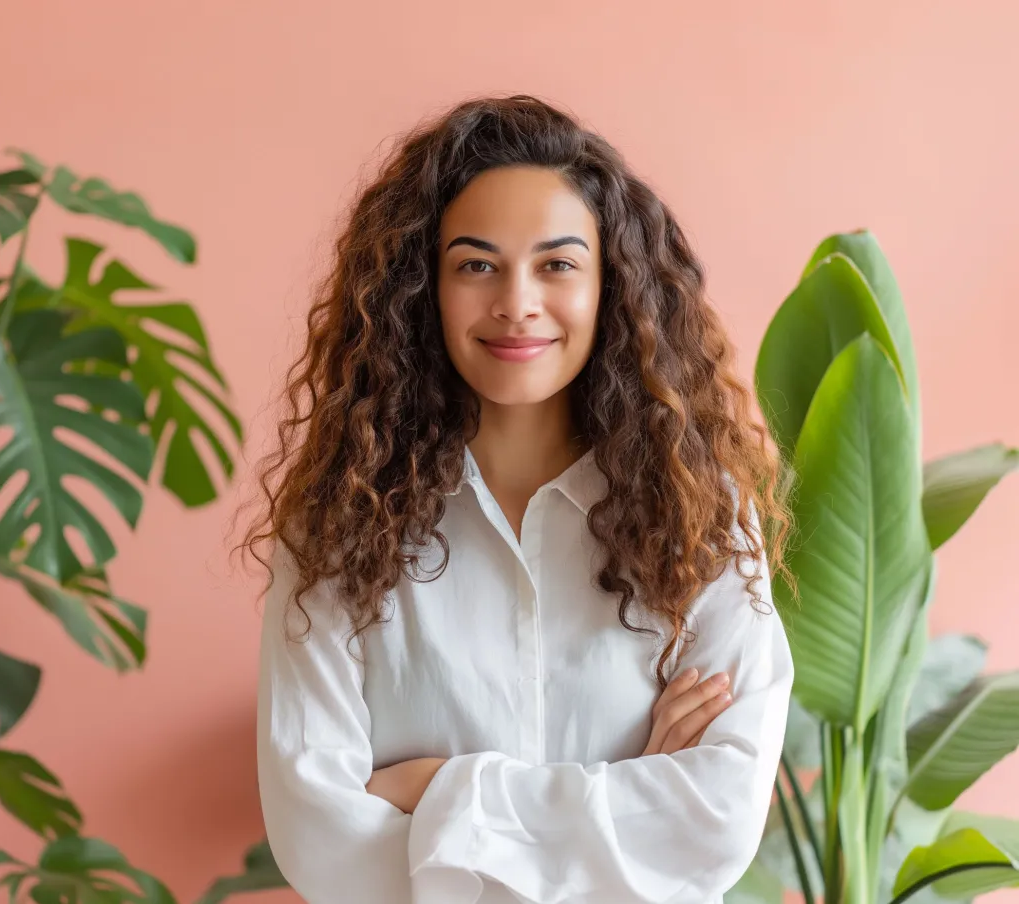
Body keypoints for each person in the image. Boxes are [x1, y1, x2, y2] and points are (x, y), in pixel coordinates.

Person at [237, 93, 796, 904]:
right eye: (476, 264)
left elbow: (717, 824)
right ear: (421, 286)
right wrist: (627, 795)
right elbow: (320, 846)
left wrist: (434, 789)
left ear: (613, 285)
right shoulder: (337, 524)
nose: (517, 302)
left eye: (557, 264)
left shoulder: (703, 520)